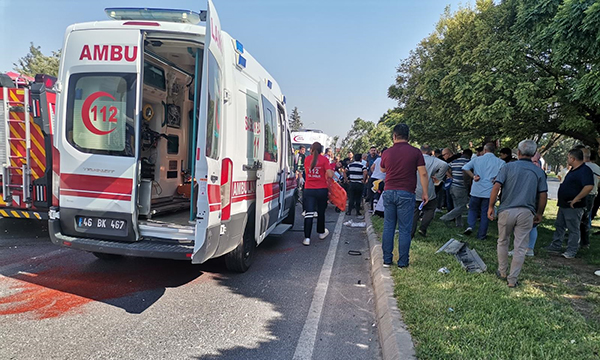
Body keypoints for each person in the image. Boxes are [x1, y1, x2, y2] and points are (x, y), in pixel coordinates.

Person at [488, 140, 548, 288]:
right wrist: (539, 213)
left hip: (506, 210)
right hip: (527, 212)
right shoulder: (539, 172)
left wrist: (490, 206)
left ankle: (502, 271)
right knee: (520, 247)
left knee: (503, 241)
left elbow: (496, 187)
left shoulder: (507, 167)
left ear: (518, 153)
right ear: (534, 154)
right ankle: (512, 280)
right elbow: (543, 195)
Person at [380, 124, 429, 268]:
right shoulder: (415, 152)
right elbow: (423, 173)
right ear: (409, 137)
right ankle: (402, 262)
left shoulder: (387, 152)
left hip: (389, 191)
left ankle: (387, 260)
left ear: (394, 136)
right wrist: (425, 192)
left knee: (388, 226)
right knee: (404, 229)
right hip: (407, 193)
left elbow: (382, 169)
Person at [546, 148, 594, 258]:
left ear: (573, 158)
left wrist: (577, 198)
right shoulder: (573, 170)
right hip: (564, 204)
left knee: (573, 228)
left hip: (573, 205)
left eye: (568, 157)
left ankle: (571, 250)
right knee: (559, 225)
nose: (567, 159)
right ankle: (556, 245)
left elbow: (589, 186)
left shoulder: (584, 170)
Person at [462, 143, 505, 240]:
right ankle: (481, 235)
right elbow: (504, 173)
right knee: (486, 213)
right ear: (495, 150)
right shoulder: (500, 162)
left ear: (484, 150)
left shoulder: (476, 159)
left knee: (473, 209)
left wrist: (473, 176)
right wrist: (497, 179)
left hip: (476, 189)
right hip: (490, 191)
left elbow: (465, 168)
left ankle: (470, 225)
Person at [412, 145, 449, 237]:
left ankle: (411, 232)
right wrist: (438, 177)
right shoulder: (433, 160)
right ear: (430, 152)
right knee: (430, 209)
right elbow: (445, 165)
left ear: (420, 151)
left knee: (414, 211)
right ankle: (423, 228)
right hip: (429, 189)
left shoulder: (414, 159)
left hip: (414, 188)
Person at [302, 142, 334, 246]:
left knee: (309, 213)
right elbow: (329, 174)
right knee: (321, 212)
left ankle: (307, 238)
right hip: (321, 189)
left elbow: (307, 173)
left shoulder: (307, 159)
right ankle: (321, 233)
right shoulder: (324, 160)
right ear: (321, 150)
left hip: (309, 189)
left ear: (311, 149)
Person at [439, 149, 472, 227]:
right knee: (462, 206)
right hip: (461, 186)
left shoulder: (454, 162)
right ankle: (445, 217)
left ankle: (459, 224)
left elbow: (445, 168)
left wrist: (451, 177)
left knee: (457, 205)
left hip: (453, 186)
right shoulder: (469, 162)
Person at [580, 148, 600, 249]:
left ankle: (579, 240)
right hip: (593, 195)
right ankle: (585, 242)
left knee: (579, 218)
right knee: (586, 218)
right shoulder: (597, 168)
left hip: (583, 194)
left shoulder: (584, 167)